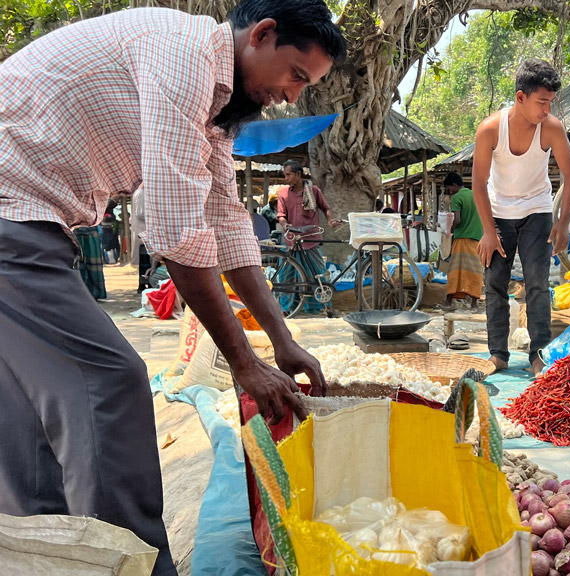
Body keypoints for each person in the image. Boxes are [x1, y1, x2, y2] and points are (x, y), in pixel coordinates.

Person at [0, 1, 344, 573]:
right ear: (261, 35)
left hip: (26, 216)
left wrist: (280, 342)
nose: (290, 97)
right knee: (108, 383)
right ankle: (132, 565)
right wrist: (242, 363)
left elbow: (226, 222)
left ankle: (48, 559)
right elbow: (176, 232)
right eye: (294, 76)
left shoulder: (211, 108)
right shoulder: (182, 57)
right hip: (14, 213)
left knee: (29, 416)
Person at [472, 59, 570, 376]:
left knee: (537, 283)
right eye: (541, 102)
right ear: (521, 98)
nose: (546, 110)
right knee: (494, 283)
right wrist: (488, 232)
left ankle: (539, 353)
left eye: (550, 103)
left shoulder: (552, 129)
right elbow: (478, 183)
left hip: (537, 210)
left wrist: (562, 222)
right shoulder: (490, 129)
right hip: (499, 212)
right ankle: (498, 354)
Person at [276, 159, 340, 312]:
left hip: (311, 239)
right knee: (286, 276)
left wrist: (330, 220)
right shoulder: (283, 193)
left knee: (316, 274)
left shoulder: (314, 191)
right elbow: (281, 215)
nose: (286, 179)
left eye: (288, 175)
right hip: (291, 240)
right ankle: (286, 308)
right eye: (285, 175)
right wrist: (285, 225)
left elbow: (325, 208)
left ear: (298, 174)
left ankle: (320, 307)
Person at [441, 172, 484, 312]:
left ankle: (448, 302)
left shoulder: (457, 197)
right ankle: (474, 304)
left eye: (449, 189)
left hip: (461, 238)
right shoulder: (475, 195)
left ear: (454, 185)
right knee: (474, 271)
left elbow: (457, 220)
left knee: (455, 271)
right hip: (477, 239)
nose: (449, 192)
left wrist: (451, 229)